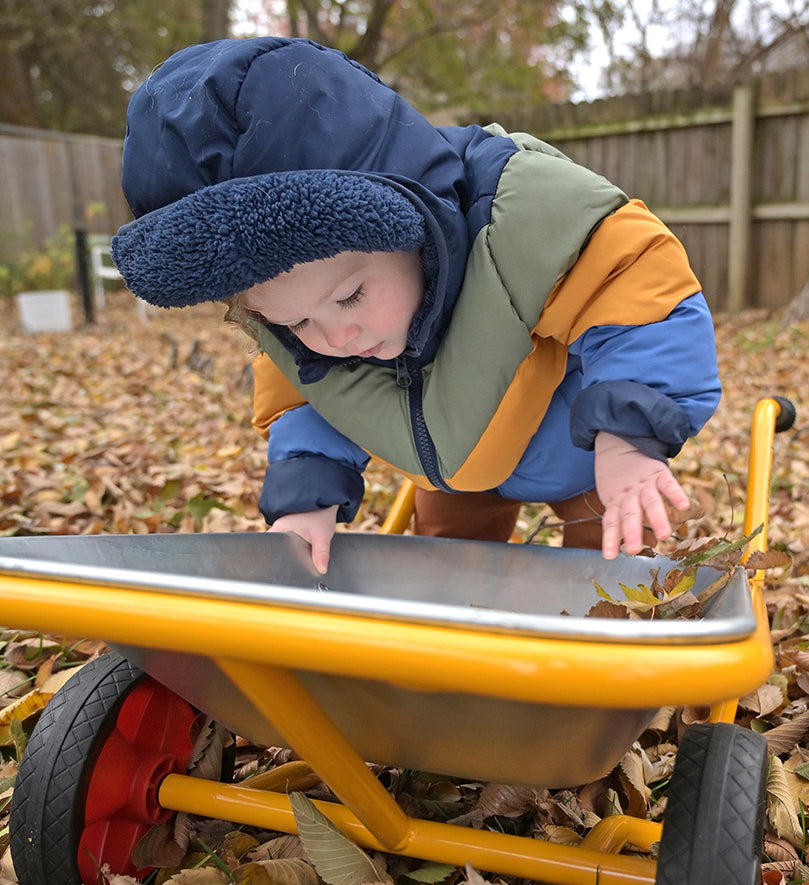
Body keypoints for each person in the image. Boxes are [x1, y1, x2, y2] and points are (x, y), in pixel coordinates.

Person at [112, 36, 721, 572]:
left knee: (607, 563)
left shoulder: (518, 229)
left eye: (350, 294)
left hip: (584, 449)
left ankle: (602, 643)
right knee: (451, 569)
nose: (336, 336)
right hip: (462, 469)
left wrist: (628, 441)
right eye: (296, 321)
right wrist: (306, 502)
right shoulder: (317, 333)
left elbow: (638, 289)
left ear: (410, 227)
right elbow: (312, 396)